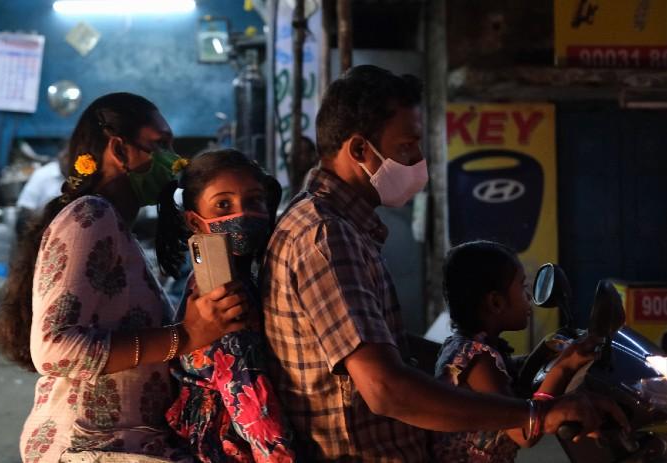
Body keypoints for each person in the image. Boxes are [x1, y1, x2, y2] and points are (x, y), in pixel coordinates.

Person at [260, 65, 627, 461]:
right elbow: (386, 389)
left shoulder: (341, 228)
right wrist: (535, 413)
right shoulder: (326, 238)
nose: (419, 160)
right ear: (360, 150)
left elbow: (386, 351)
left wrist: (499, 364)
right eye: (407, 147)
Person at [0, 93, 248, 462]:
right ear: (120, 150)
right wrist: (185, 335)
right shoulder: (91, 216)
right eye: (160, 144)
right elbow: (53, 349)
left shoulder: (114, 227)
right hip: (88, 446)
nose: (175, 160)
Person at [156, 149, 296, 462]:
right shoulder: (222, 296)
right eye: (223, 204)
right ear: (195, 220)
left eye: (254, 201)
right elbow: (254, 410)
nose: (242, 214)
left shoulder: (234, 275)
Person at [433, 240, 599, 462]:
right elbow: (524, 433)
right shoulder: (477, 358)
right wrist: (565, 367)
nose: (529, 296)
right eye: (522, 287)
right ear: (496, 303)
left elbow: (515, 389)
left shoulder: (469, 346)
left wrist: (544, 352)